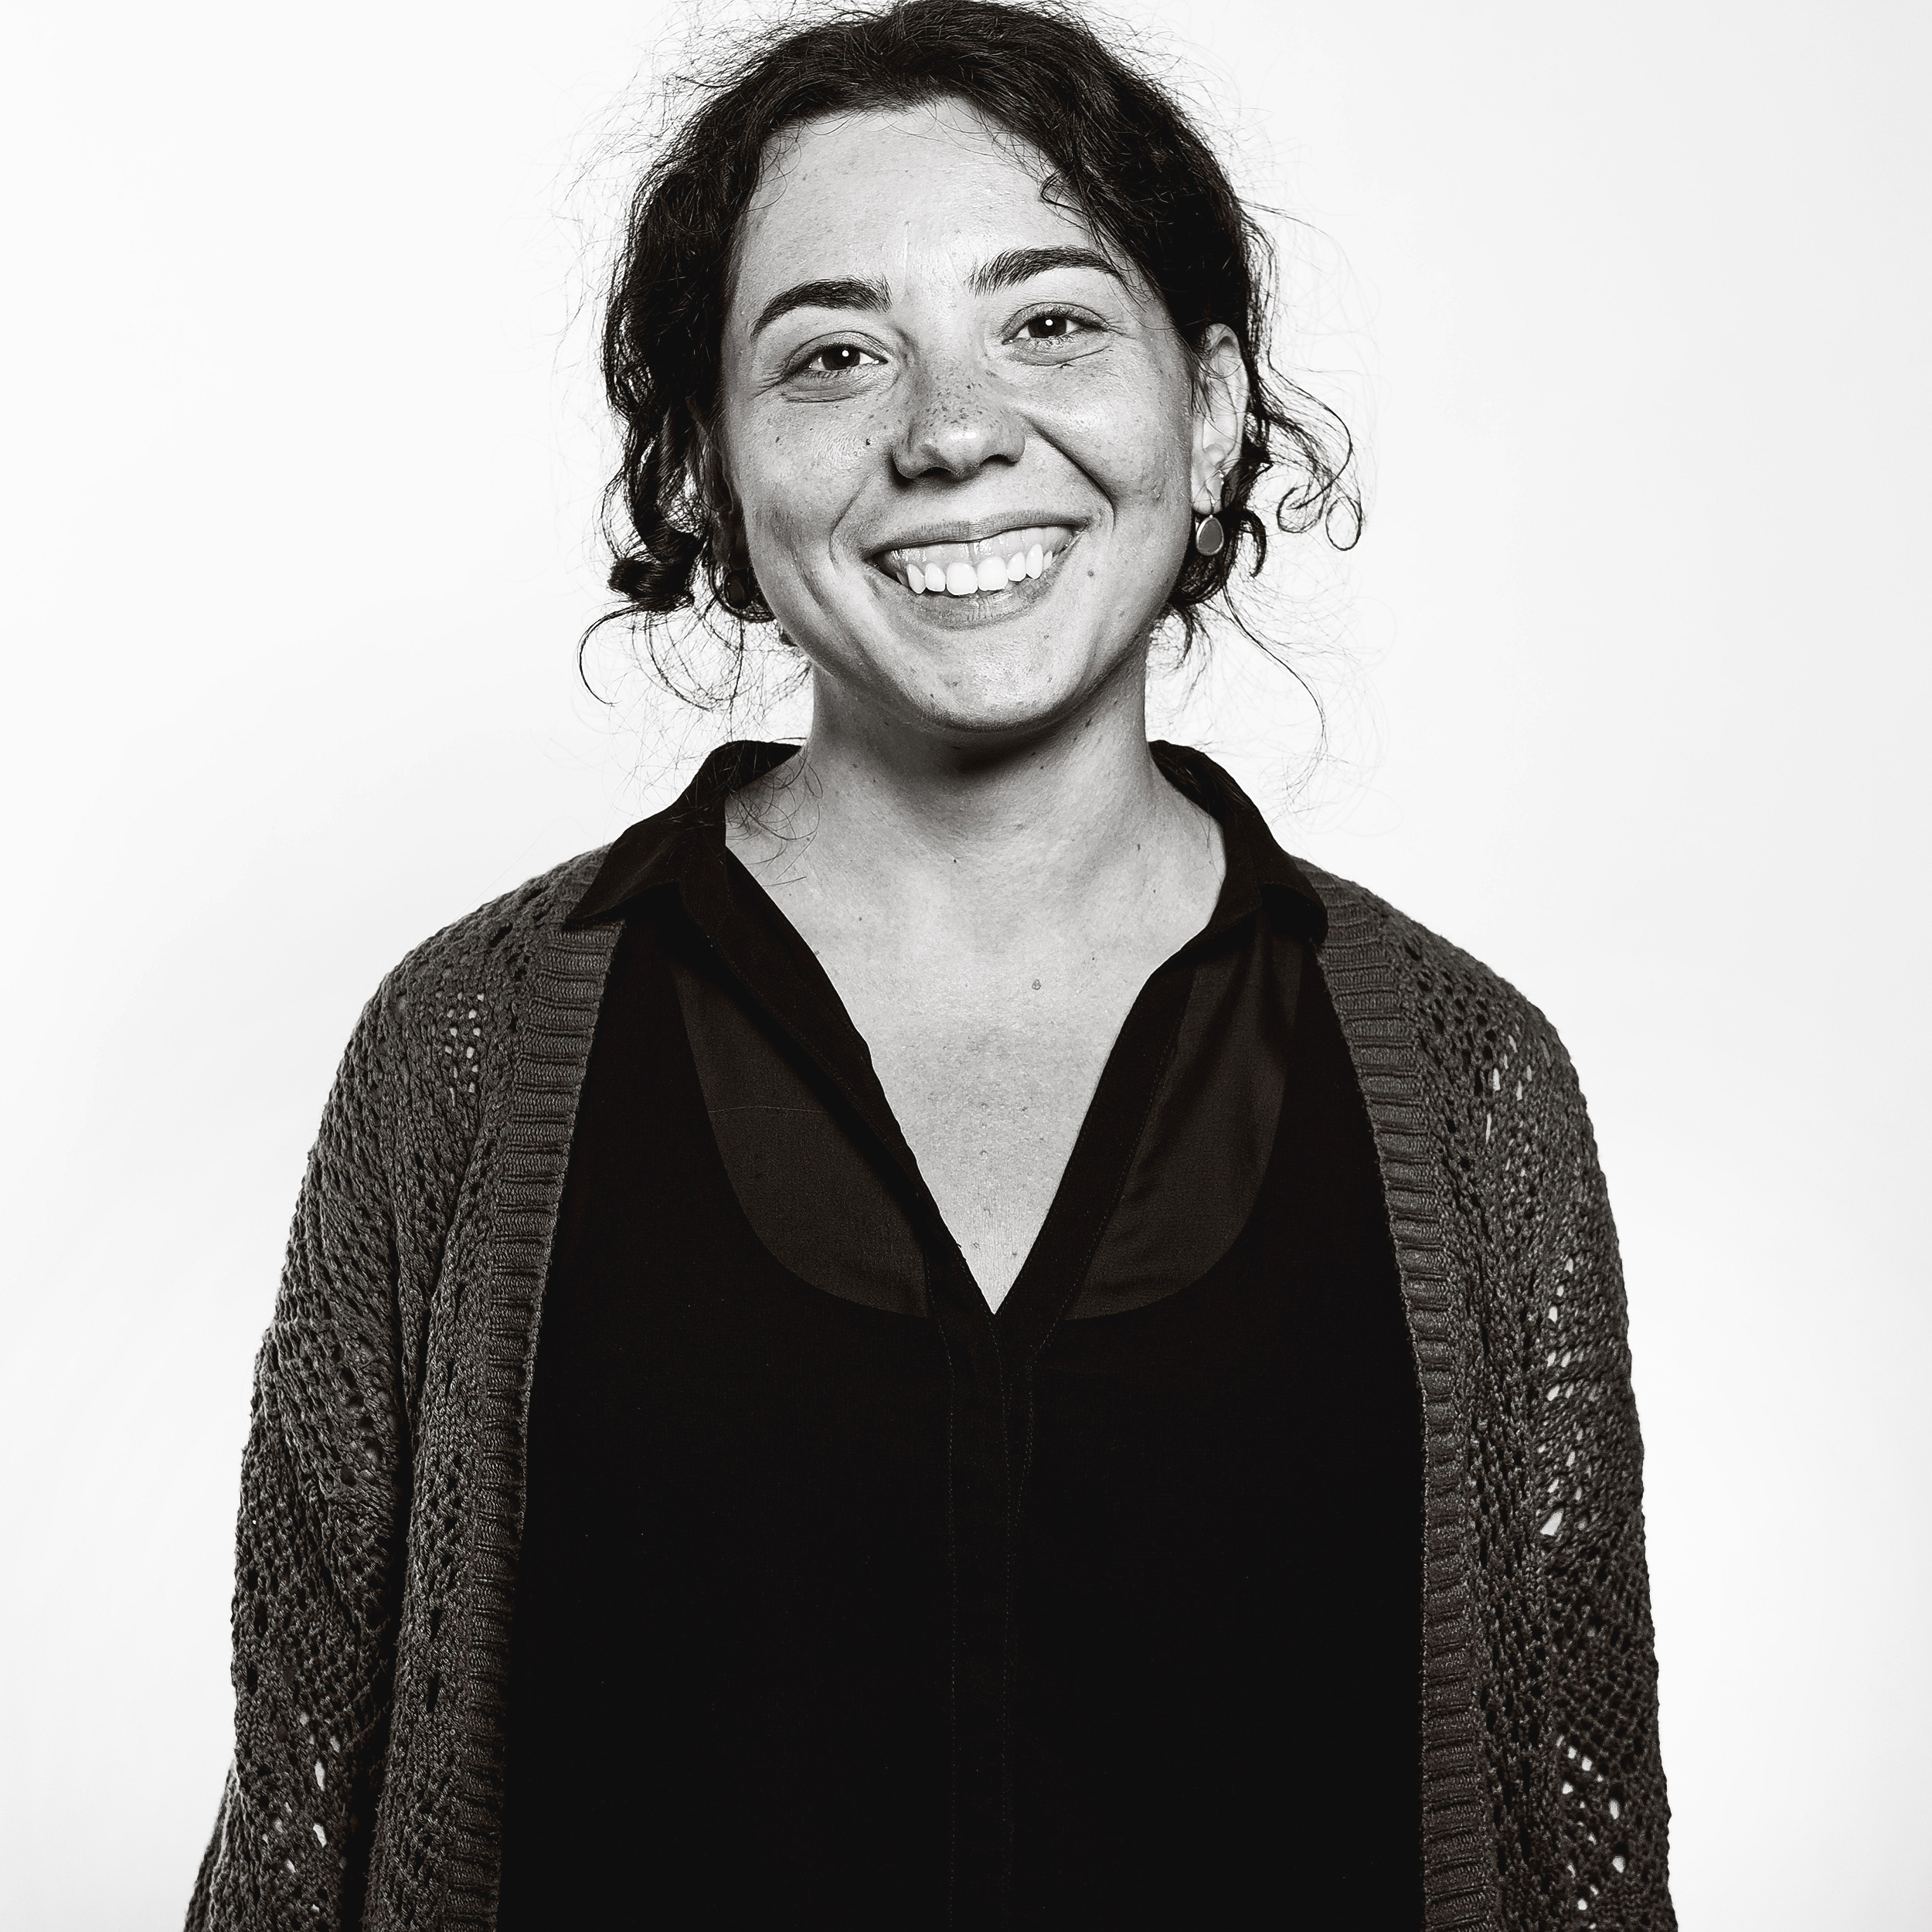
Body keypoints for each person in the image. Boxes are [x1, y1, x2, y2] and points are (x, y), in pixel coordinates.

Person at [186, 2, 1673, 1927]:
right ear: (707, 468)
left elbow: (1571, 1854)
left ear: (1209, 406)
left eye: (1047, 321)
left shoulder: (1470, 1087)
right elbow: (295, 1835)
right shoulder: (462, 1056)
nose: (953, 428)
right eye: (831, 354)